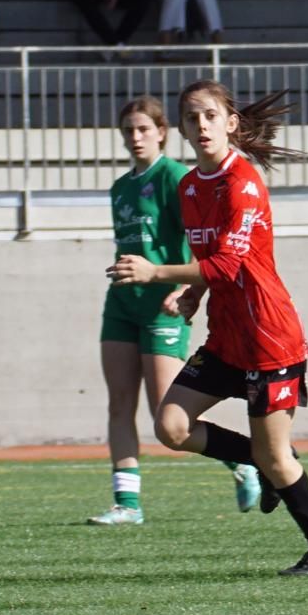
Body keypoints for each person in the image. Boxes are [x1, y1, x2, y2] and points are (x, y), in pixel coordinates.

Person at [108, 82, 308, 576]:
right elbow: (210, 263)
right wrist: (194, 294)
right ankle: (260, 462)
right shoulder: (190, 186)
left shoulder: (244, 183)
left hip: (268, 338)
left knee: (277, 457)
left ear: (230, 123)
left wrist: (157, 274)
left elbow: (231, 263)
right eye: (193, 119)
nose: (202, 126)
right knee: (171, 425)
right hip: (226, 338)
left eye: (211, 116)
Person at [92, 95, 261, 525]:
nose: (135, 137)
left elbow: (199, 240)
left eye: (143, 129)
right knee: (118, 403)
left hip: (161, 302)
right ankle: (126, 504)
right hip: (122, 303)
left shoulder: (174, 178)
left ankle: (241, 462)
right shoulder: (120, 187)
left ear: (163, 132)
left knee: (165, 412)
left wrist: (187, 286)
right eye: (128, 130)